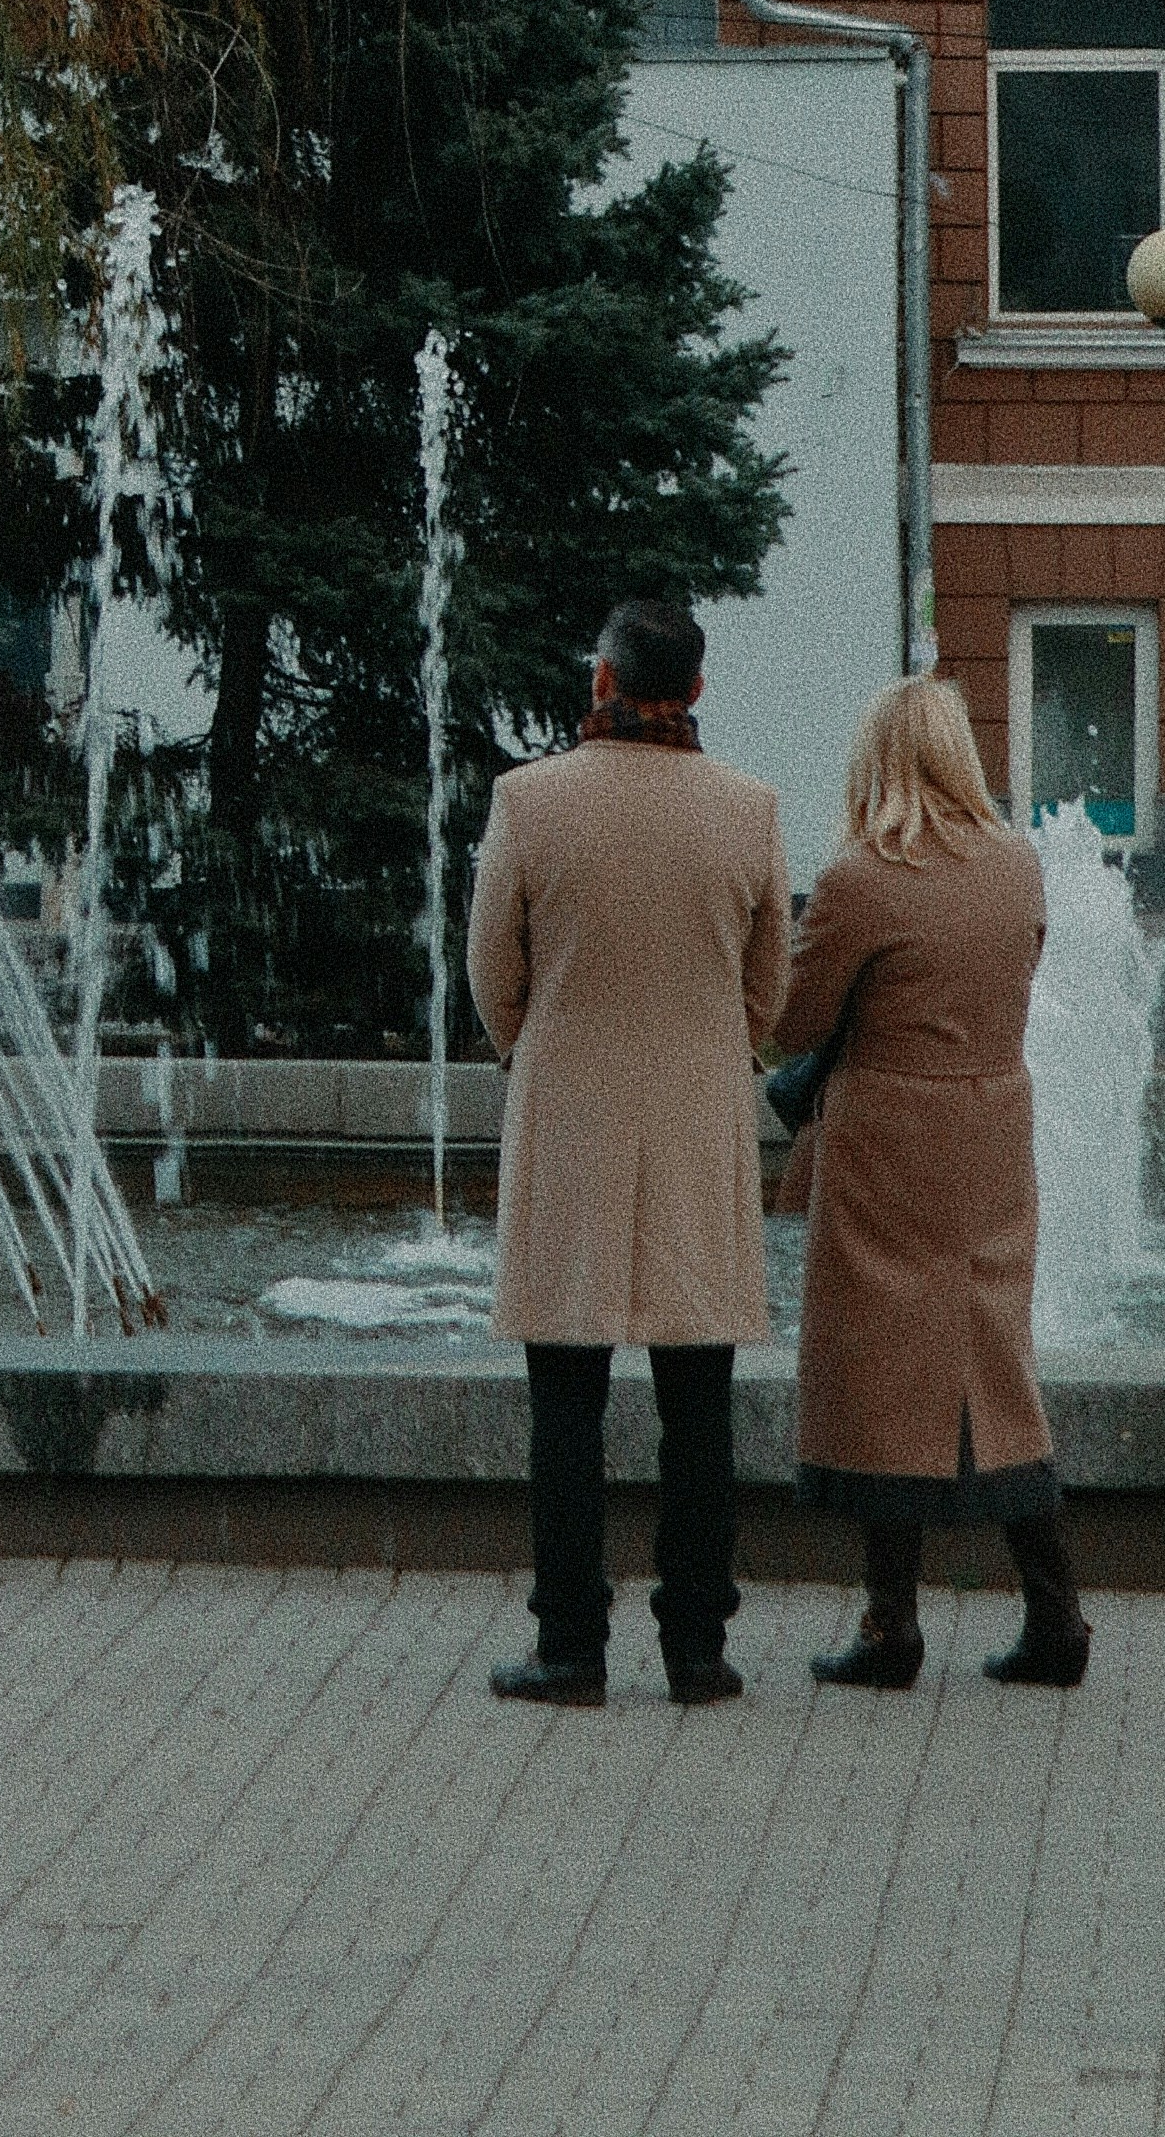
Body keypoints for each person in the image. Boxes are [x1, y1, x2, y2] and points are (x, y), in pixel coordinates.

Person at [465, 588, 791, 1707]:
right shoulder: (747, 811)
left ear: (599, 680)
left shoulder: (527, 803)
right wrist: (706, 1054)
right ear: (695, 689)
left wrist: (545, 1050)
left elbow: (488, 980)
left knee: (563, 1405)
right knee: (697, 1408)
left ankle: (568, 1648)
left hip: (567, 1131)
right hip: (698, 1131)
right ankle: (695, 1649)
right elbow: (767, 993)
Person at [772, 671, 1086, 1694]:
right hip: (990, 1130)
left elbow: (789, 1021)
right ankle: (1054, 1617)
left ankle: (888, 1627)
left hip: (887, 1141)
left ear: (879, 758)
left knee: (878, 1370)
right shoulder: (1015, 864)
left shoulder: (863, 877)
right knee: (991, 1362)